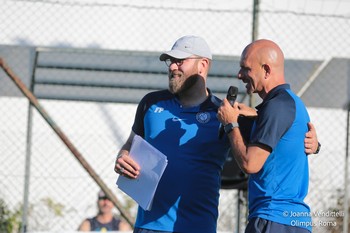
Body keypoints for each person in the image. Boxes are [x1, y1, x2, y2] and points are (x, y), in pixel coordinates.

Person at [114, 36, 320, 233]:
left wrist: (314, 144)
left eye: (180, 61)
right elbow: (131, 145)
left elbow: (277, 137)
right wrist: (122, 157)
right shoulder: (151, 103)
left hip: (199, 227)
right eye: (170, 61)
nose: (172, 67)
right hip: (149, 225)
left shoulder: (225, 113)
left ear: (202, 65)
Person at [217, 39, 316, 233]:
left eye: (246, 69)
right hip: (291, 221)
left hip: (273, 219)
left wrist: (230, 123)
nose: (240, 75)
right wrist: (253, 117)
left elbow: (250, 164)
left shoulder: (277, 106)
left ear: (266, 70)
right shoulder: (289, 103)